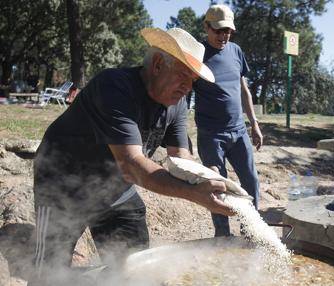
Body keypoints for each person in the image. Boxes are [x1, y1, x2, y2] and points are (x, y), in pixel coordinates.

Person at [30, 27, 234, 285]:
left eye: (193, 80)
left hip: (115, 188)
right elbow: (131, 165)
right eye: (184, 75)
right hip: (64, 184)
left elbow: (181, 156)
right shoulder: (114, 86)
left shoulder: (177, 103)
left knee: (135, 267)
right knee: (48, 272)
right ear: (158, 64)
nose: (188, 87)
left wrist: (205, 176)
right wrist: (195, 194)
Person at [193, 4, 262, 237]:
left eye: (228, 31)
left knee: (251, 182)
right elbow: (183, 94)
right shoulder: (196, 54)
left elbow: (244, 90)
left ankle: (251, 231)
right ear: (207, 27)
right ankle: (223, 236)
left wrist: (254, 124)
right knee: (218, 187)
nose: (224, 36)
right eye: (219, 30)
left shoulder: (236, 51)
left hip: (239, 131)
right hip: (211, 135)